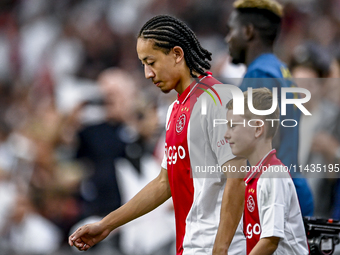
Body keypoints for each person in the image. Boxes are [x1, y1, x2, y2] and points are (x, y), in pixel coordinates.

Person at [69, 14, 246, 255]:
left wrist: (221, 249)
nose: (147, 73)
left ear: (176, 54)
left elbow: (236, 178)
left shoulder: (218, 98)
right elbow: (164, 183)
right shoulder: (176, 109)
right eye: (143, 64)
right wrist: (106, 225)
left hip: (226, 247)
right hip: (191, 245)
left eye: (151, 62)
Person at [226, 0, 314, 216]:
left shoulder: (259, 76)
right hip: (291, 190)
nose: (228, 38)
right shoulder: (281, 71)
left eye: (231, 30)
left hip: (274, 199)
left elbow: (260, 144)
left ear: (248, 32)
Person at [225, 88, 309, 255]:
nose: (226, 135)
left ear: (257, 129)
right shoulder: (254, 177)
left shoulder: (273, 175)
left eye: (233, 126)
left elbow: (270, 241)